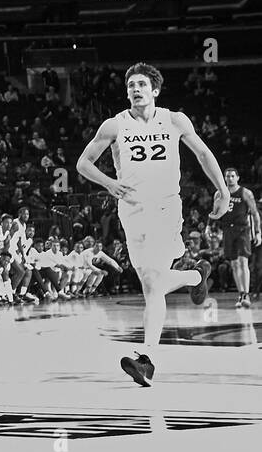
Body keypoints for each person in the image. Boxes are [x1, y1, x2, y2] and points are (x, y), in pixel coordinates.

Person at [76, 62, 230, 387]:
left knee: (151, 283)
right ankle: (195, 275)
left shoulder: (174, 120)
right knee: (152, 283)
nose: (135, 89)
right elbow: (83, 163)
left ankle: (145, 359)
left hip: (165, 208)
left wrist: (223, 189)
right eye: (131, 85)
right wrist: (108, 183)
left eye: (142, 84)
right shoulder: (114, 125)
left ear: (155, 90)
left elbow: (203, 154)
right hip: (132, 212)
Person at [218, 168, 259, 308]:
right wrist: (209, 226)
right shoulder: (220, 193)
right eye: (227, 176)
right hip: (228, 230)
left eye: (232, 176)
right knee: (234, 264)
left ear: (237, 178)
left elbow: (255, 213)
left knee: (243, 261)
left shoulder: (245, 193)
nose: (229, 178)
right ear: (224, 178)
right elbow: (215, 211)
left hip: (242, 229)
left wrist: (258, 232)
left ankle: (246, 294)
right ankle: (241, 293)